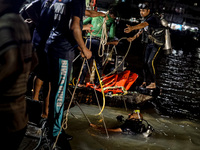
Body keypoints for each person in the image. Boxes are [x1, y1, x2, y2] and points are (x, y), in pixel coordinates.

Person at [44, 0, 93, 148]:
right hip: (62, 51)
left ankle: (50, 125)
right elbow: (74, 27)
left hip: (52, 45)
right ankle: (55, 133)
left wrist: (77, 46)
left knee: (53, 89)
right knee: (59, 93)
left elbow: (60, 25)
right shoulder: (77, 1)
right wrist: (84, 48)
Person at [0, 0, 35, 149]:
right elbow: (34, 59)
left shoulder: (5, 24)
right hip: (19, 116)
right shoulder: (20, 22)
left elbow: (13, 61)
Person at [124, 2, 165, 89]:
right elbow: (142, 30)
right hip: (149, 44)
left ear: (148, 10)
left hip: (156, 44)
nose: (141, 12)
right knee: (144, 63)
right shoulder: (145, 19)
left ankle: (153, 83)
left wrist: (132, 28)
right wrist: (133, 38)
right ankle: (145, 82)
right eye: (140, 11)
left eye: (143, 10)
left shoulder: (152, 18)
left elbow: (143, 25)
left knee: (150, 62)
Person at [78, 8, 117, 88]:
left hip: (89, 39)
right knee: (99, 64)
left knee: (86, 62)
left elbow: (81, 24)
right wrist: (107, 41)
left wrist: (87, 29)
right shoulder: (111, 21)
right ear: (113, 16)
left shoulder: (94, 15)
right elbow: (111, 36)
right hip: (99, 42)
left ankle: (81, 82)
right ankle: (96, 84)